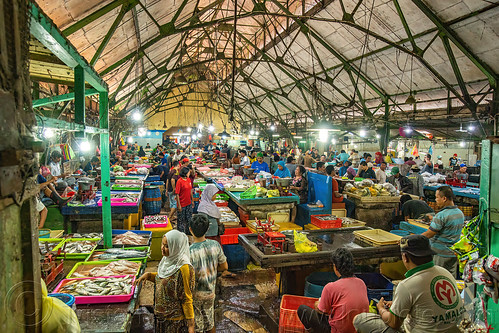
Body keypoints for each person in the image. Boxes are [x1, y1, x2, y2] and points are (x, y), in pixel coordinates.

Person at [353, 234, 464, 333]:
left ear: (405, 257)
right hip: (455, 330)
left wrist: (381, 309)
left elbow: (393, 324)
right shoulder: (444, 272)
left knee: (360, 320)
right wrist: (398, 304)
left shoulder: (407, 285)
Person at [135, 230, 195, 333]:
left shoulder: (184, 268)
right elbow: (164, 279)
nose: (162, 248)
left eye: (167, 246)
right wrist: (149, 275)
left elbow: (187, 298)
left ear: (176, 247)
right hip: (161, 318)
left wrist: (191, 326)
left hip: (175, 322)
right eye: (162, 244)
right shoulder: (167, 260)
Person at [299, 248, 369, 333]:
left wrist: (317, 304)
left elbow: (321, 310)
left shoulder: (331, 287)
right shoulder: (361, 283)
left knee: (302, 310)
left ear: (335, 267)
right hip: (359, 329)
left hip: (337, 331)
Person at [189, 215, 228, 333]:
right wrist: (212, 270)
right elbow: (224, 266)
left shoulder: (189, 251)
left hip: (195, 294)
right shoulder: (215, 245)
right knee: (210, 322)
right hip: (210, 292)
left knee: (197, 325)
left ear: (190, 229)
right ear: (207, 229)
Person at [422, 186, 464, 277]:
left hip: (441, 254)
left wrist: (413, 239)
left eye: (437, 197)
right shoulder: (460, 213)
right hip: (453, 253)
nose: (436, 200)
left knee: (438, 279)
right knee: (450, 279)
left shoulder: (441, 215)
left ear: (444, 198)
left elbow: (429, 234)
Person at [175, 167, 194, 233]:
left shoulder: (188, 180)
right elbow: (177, 194)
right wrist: (179, 205)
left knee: (189, 218)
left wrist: (192, 200)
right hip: (182, 204)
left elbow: (191, 190)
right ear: (185, 173)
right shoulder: (179, 181)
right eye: (188, 172)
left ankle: (188, 231)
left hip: (188, 203)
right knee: (181, 220)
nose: (189, 173)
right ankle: (180, 233)